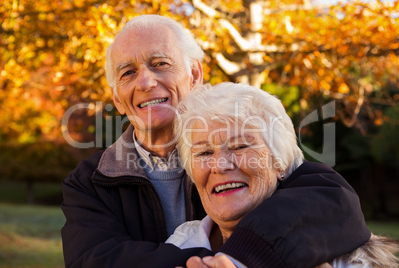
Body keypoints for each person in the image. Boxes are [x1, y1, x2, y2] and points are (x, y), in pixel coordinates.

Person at [61, 15, 371, 268]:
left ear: (194, 74)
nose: (145, 82)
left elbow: (333, 204)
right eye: (128, 72)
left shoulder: (251, 143)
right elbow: (92, 260)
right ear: (117, 98)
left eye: (160, 64)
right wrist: (220, 263)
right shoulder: (90, 182)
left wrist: (239, 258)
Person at [167, 82, 399, 268]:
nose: (219, 165)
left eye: (240, 147)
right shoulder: (181, 242)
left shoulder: (343, 256)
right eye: (204, 152)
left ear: (280, 163)